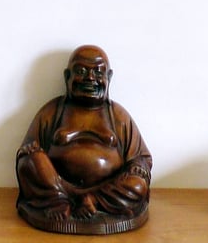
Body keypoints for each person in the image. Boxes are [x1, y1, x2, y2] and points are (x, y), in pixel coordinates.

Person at [16, 45, 152, 233]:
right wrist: (31, 154)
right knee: (29, 162)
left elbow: (141, 157)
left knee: (138, 184)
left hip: (106, 191)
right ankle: (59, 201)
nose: (90, 78)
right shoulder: (52, 111)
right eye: (81, 71)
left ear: (109, 77)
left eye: (97, 72)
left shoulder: (118, 116)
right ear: (67, 77)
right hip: (57, 186)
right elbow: (28, 151)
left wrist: (138, 168)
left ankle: (91, 201)